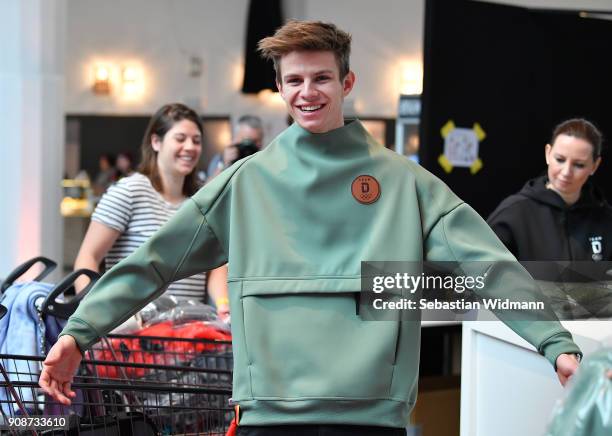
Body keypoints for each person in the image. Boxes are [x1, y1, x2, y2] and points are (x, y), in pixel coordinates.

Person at [41, 21, 581, 436]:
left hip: (371, 413)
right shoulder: (245, 183)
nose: (308, 92)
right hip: (268, 411)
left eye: (321, 77)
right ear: (278, 89)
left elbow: (484, 265)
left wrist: (554, 343)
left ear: (347, 82)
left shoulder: (403, 182)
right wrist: (78, 332)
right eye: (294, 80)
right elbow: (154, 261)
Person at [73, 103, 228, 309]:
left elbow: (216, 267)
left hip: (189, 329)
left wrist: (224, 305)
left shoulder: (203, 199)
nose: (190, 147)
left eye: (196, 140)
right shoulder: (129, 191)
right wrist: (93, 314)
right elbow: (88, 257)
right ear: (156, 142)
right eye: (180, 139)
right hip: (132, 328)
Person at [488, 118, 612, 263]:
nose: (566, 172)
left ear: (595, 166)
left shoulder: (606, 219)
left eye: (579, 165)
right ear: (548, 153)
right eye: (560, 159)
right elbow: (479, 273)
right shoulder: (514, 213)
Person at [207, 114, 264, 179]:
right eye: (247, 140)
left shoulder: (265, 160)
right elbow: (210, 187)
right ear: (235, 139)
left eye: (255, 141)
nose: (250, 145)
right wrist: (225, 164)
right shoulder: (220, 159)